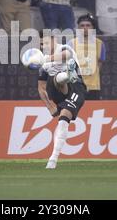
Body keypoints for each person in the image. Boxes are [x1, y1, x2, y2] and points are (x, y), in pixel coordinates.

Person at [38, 32, 86, 169]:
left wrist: (46, 59)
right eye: (42, 43)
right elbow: (41, 88)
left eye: (46, 42)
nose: (44, 46)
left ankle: (53, 159)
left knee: (64, 119)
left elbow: (67, 56)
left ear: (54, 40)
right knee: (53, 79)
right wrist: (49, 106)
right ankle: (65, 76)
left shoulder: (63, 48)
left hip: (76, 88)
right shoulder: (44, 64)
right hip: (57, 92)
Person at [68, 14, 106, 100]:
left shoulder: (100, 44)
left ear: (93, 28)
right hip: (76, 87)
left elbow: (99, 65)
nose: (85, 28)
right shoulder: (71, 43)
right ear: (78, 28)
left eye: (88, 25)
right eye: (82, 26)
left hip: (93, 87)